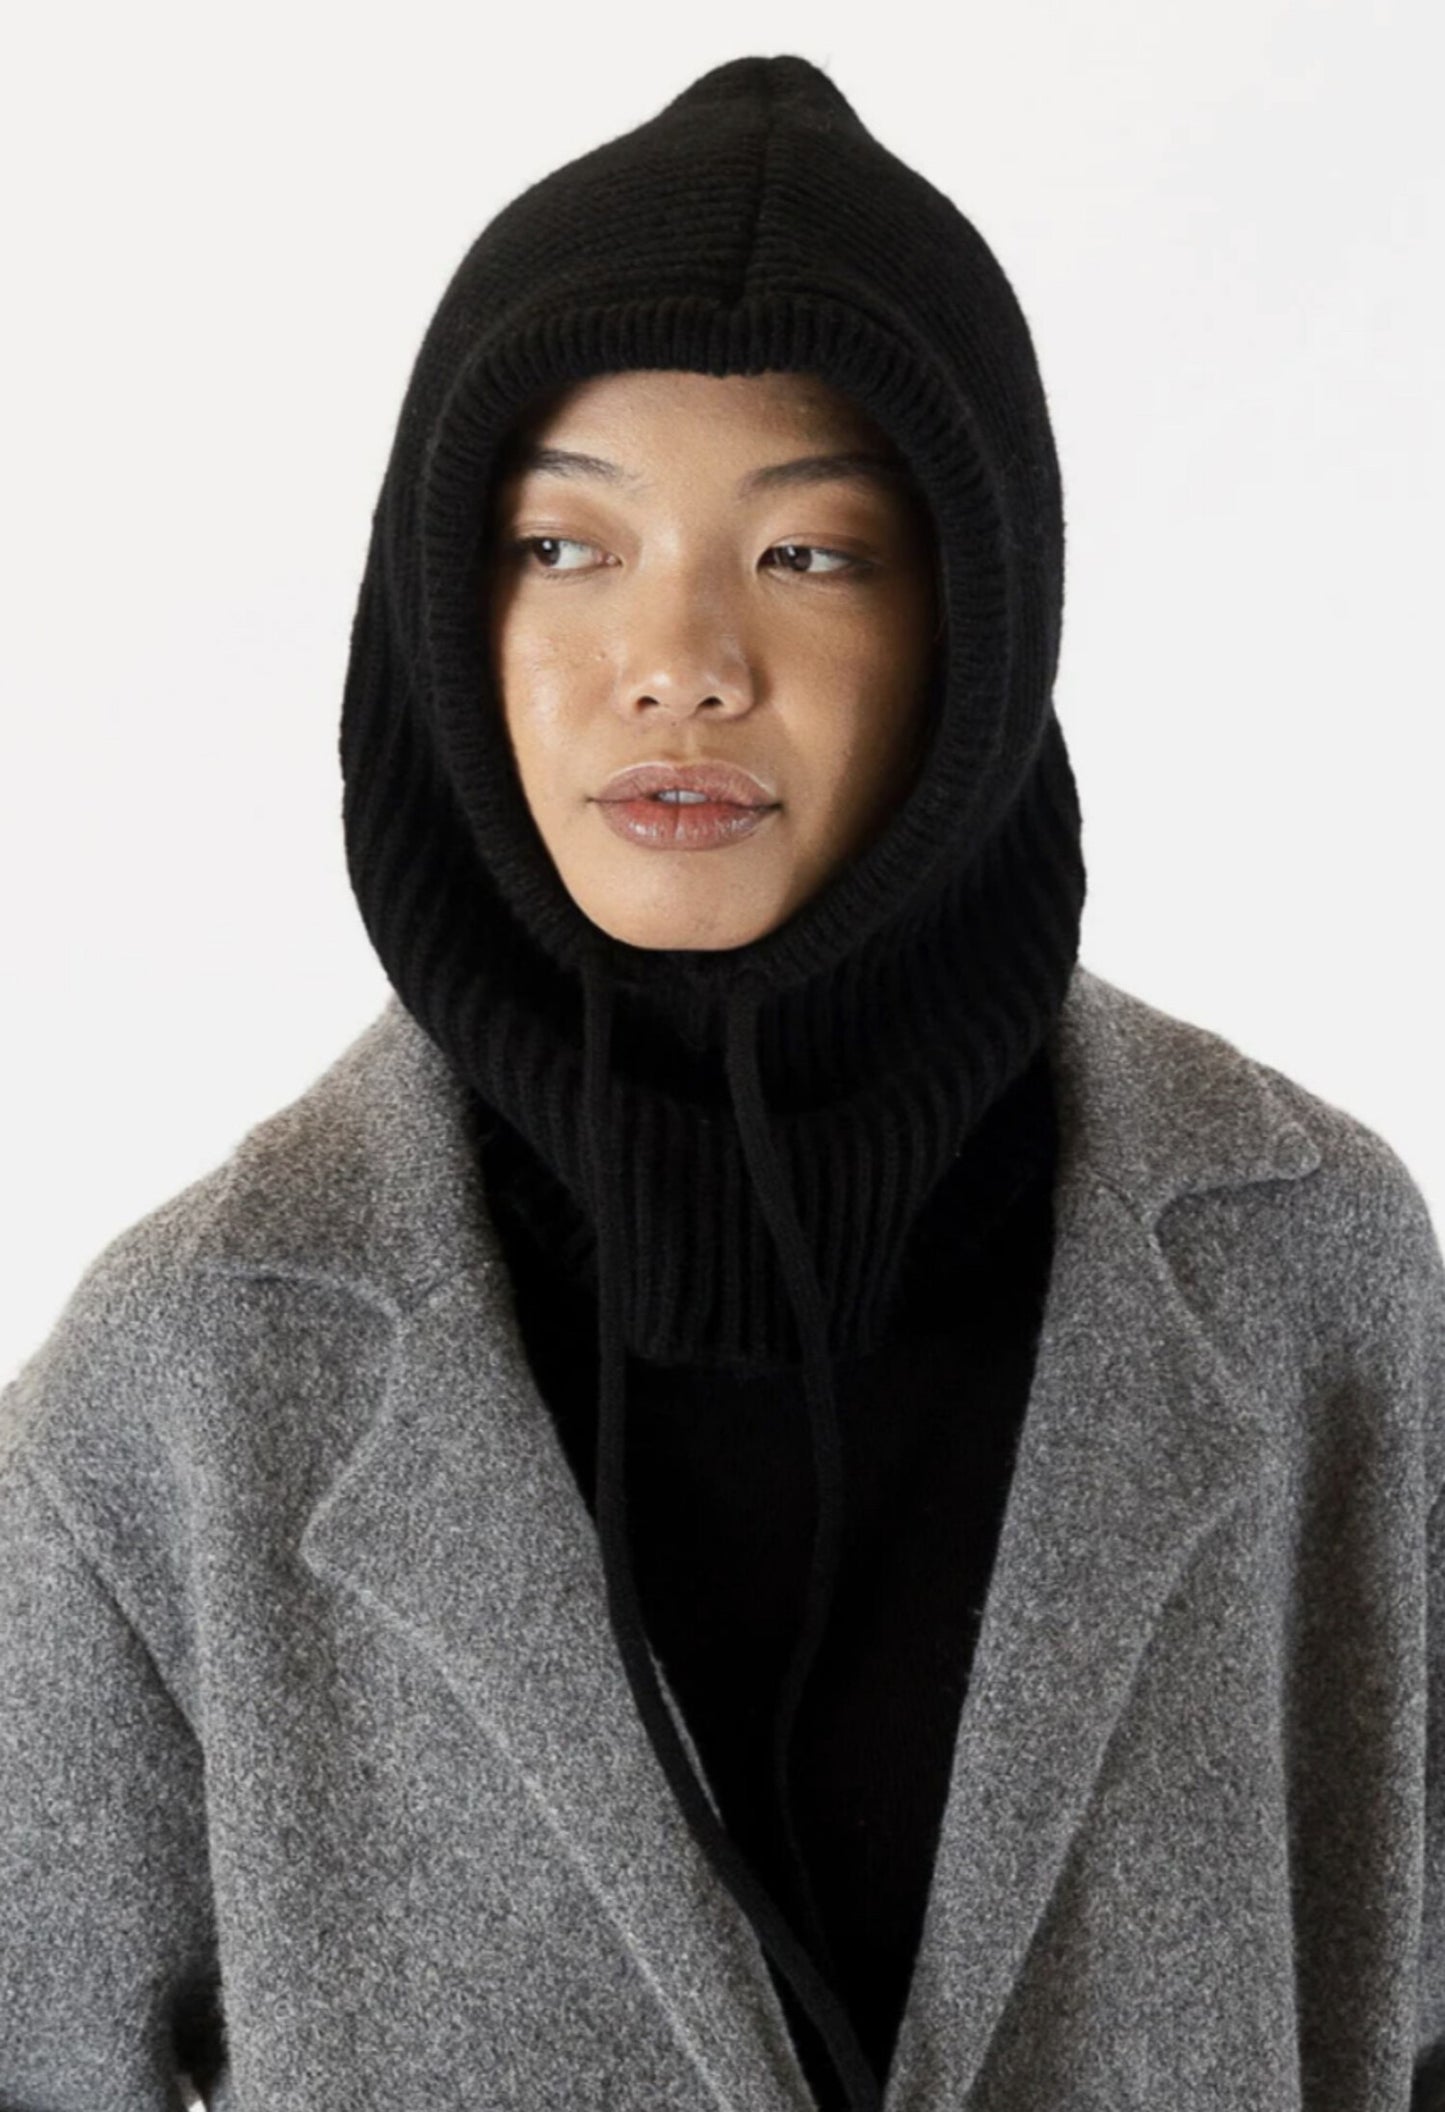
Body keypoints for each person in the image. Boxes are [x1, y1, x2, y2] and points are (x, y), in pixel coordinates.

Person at [1, 51, 1443, 2112]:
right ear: (440, 607)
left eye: (811, 554)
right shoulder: (188, 1376)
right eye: (563, 544)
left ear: (979, 617)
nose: (679, 657)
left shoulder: (1313, 1271)